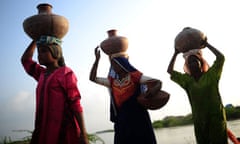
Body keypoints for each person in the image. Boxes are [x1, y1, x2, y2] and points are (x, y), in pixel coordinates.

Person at [21, 35, 89, 144]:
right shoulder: (42, 74)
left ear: (55, 52)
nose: (39, 55)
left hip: (63, 131)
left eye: (43, 51)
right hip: (42, 129)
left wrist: (83, 133)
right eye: (38, 52)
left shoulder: (66, 73)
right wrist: (35, 38)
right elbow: (26, 60)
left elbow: (75, 103)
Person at [89, 46, 159, 144]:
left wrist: (150, 93)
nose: (113, 66)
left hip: (138, 119)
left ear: (122, 64)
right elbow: (92, 78)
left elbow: (157, 82)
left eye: (115, 64)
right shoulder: (112, 82)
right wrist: (97, 60)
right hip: (122, 121)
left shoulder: (135, 76)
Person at [167, 38, 228, 143]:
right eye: (189, 62)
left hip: (216, 118)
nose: (192, 64)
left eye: (195, 61)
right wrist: (175, 53)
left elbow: (221, 58)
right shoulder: (187, 81)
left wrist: (207, 45)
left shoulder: (211, 75)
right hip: (200, 120)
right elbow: (170, 71)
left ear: (201, 63)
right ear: (187, 66)